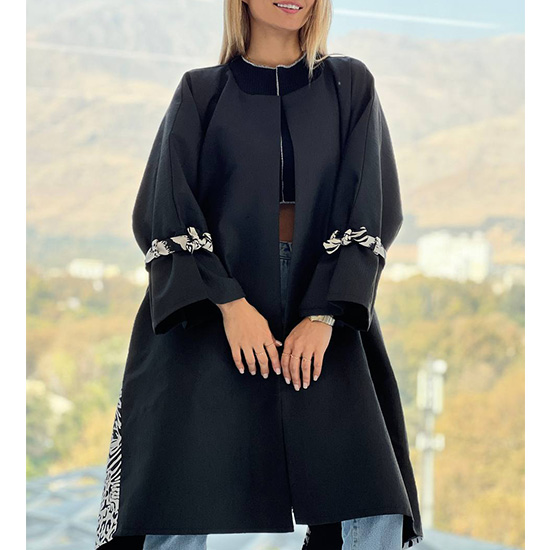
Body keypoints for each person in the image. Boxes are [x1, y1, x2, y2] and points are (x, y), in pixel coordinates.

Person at [95, 0, 424, 549]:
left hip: (325, 302)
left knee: (371, 503)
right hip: (210, 306)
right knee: (171, 503)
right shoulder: (201, 92)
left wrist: (323, 315)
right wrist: (231, 305)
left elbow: (371, 202)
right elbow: (163, 207)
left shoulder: (349, 85)